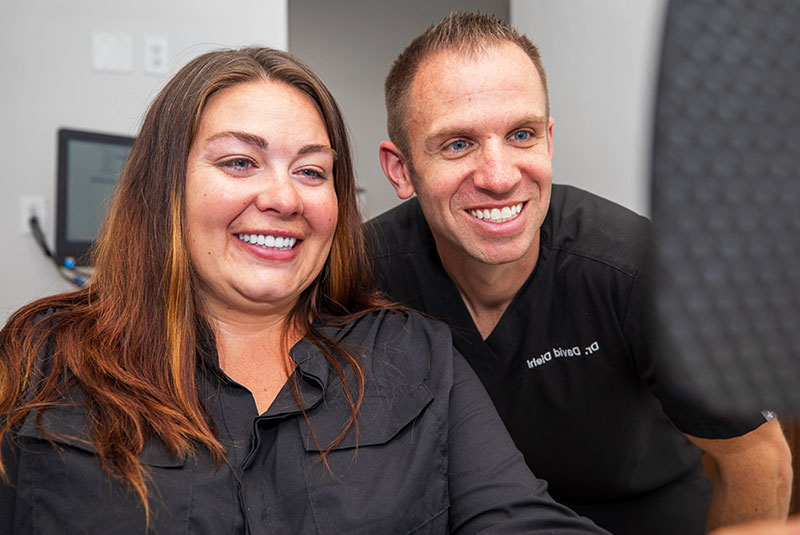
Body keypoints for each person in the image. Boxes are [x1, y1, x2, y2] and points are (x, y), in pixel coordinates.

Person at [0, 47, 609, 534]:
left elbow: (519, 518)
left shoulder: (415, 354)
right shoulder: (39, 360)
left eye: (312, 171)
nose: (285, 198)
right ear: (165, 185)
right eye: (240, 162)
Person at [367, 12, 793, 535]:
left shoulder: (638, 270)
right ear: (401, 169)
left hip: (641, 516)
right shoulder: (364, 277)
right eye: (457, 144)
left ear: (548, 142)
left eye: (521, 134)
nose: (499, 178)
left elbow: (759, 462)